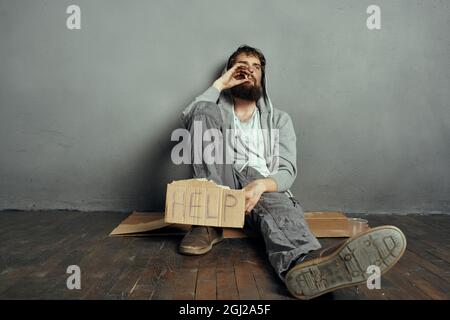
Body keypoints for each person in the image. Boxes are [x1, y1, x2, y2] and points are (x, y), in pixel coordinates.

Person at [178, 45, 407, 299]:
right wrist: (221, 83)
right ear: (231, 70)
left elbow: (286, 170)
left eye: (256, 68)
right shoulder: (215, 111)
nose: (249, 71)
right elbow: (190, 116)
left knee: (280, 210)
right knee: (202, 110)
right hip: (221, 186)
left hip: (259, 189)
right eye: (242, 66)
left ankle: (311, 268)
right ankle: (207, 223)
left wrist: (262, 186)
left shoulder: (280, 120)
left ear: (263, 77)